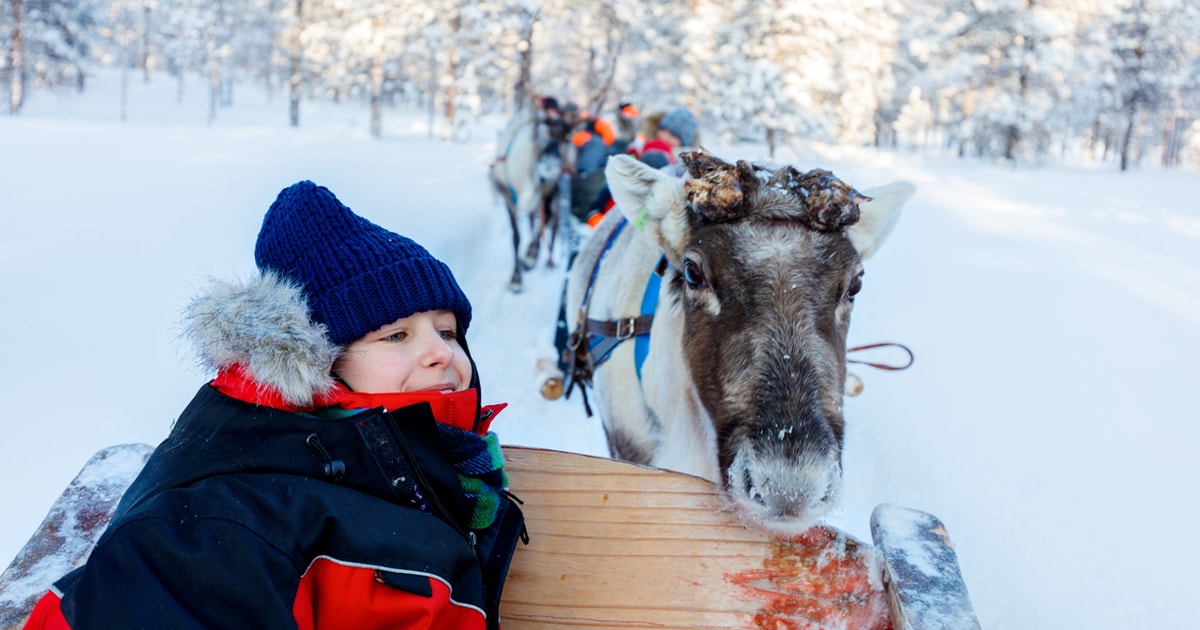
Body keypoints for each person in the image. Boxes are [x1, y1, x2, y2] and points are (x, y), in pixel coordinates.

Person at [22, 181, 526, 630]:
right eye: (396, 335)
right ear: (318, 367)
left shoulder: (432, 474)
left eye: (447, 331)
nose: (441, 353)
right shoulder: (227, 528)